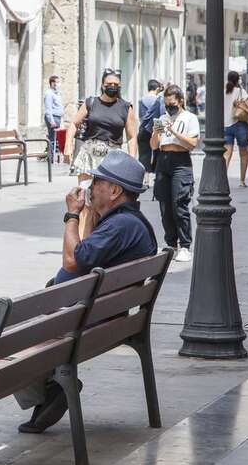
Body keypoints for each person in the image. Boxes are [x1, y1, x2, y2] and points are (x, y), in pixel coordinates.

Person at [17, 151, 157, 434]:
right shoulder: (128, 222)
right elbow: (89, 251)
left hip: (83, 321)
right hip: (105, 317)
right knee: (31, 320)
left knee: (15, 332)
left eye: (97, 182)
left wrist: (71, 214)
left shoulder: (120, 226)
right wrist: (92, 213)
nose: (90, 186)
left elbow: (72, 260)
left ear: (115, 190)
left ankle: (49, 392)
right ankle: (53, 386)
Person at [64, 69, 137, 228]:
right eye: (108, 84)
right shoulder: (91, 102)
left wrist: (131, 160)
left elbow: (132, 137)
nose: (112, 87)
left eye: (115, 84)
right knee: (84, 199)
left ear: (120, 86)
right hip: (89, 154)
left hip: (112, 158)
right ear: (102, 85)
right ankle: (82, 242)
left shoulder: (126, 107)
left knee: (106, 201)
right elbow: (74, 124)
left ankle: (101, 238)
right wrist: (68, 145)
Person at [150, 85, 199, 263]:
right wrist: (156, 132)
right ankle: (171, 243)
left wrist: (174, 132)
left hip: (181, 161)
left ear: (180, 101)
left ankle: (185, 245)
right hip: (163, 160)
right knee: (164, 205)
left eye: (171, 103)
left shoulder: (190, 118)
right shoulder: (161, 118)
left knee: (179, 203)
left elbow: (192, 144)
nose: (169, 107)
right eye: (166, 103)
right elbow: (154, 145)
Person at [223, 71, 248, 187]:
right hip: (240, 124)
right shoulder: (240, 91)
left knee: (226, 154)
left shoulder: (222, 91)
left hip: (226, 125)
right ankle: (242, 180)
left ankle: (222, 179)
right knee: (243, 153)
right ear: (237, 80)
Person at [138, 79, 166, 182]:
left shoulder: (141, 100)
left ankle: (145, 178)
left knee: (144, 153)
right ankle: (155, 175)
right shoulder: (159, 99)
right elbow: (160, 116)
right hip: (157, 125)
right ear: (157, 88)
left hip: (144, 128)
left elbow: (141, 117)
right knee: (158, 151)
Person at [44, 75, 64, 160]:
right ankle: (50, 157)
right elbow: (48, 108)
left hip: (58, 117)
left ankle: (52, 155)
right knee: (52, 138)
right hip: (53, 117)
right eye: (57, 82)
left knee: (55, 138)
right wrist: (51, 121)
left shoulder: (56, 93)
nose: (59, 84)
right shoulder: (49, 94)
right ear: (52, 83)